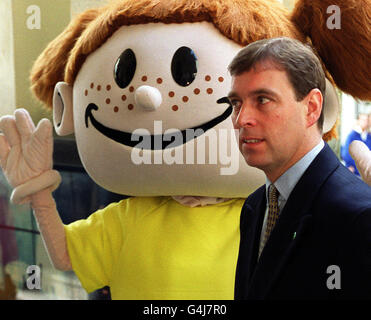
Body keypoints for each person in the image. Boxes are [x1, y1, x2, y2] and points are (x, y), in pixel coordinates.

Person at [228, 37, 371, 299]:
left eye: (262, 99)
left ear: (312, 107)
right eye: (236, 103)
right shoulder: (254, 205)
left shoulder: (359, 216)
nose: (241, 119)